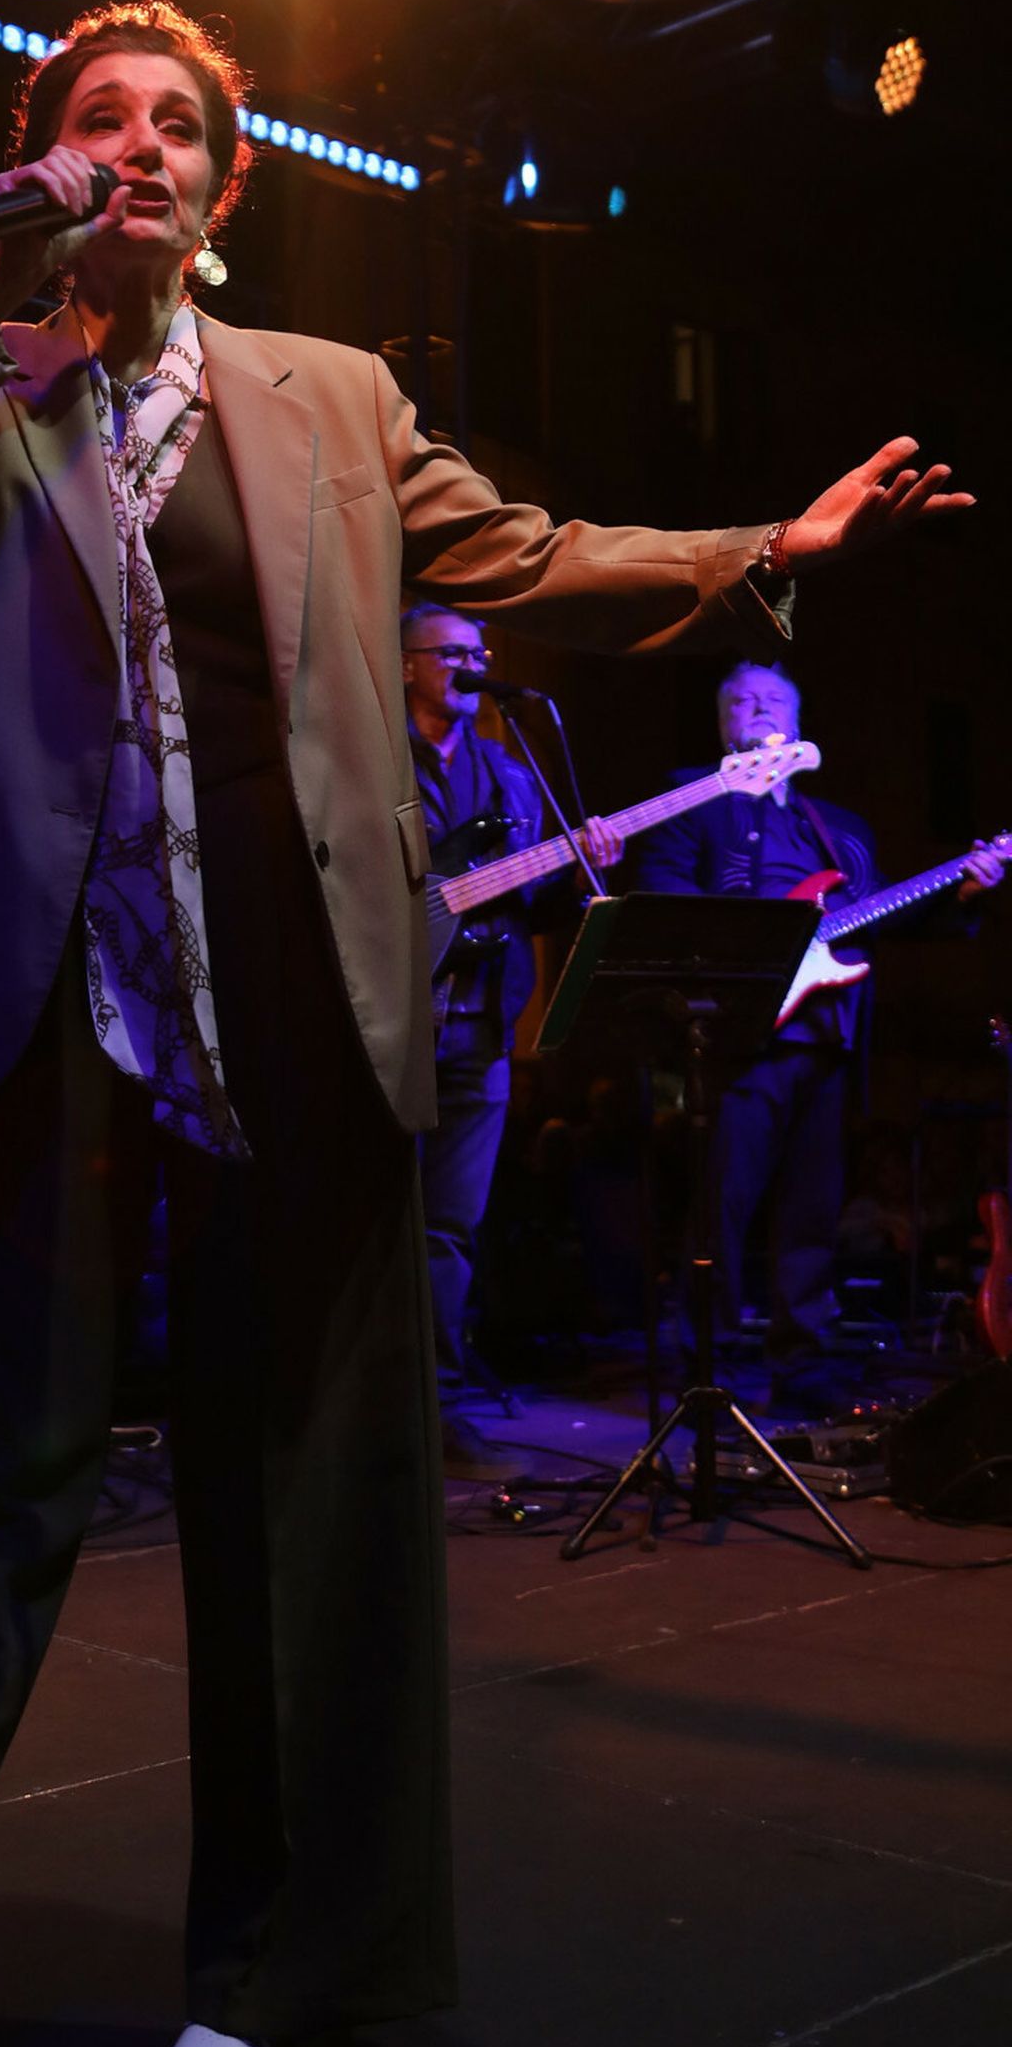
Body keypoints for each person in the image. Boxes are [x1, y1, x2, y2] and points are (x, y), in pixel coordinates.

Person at [0, 0, 978, 2047]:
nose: (137, 144)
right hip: (36, 1023)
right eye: (97, 118)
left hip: (296, 1012)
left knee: (310, 1517)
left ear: (224, 188)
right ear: (48, 163)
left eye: (176, 124)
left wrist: (768, 552)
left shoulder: (334, 395)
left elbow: (533, 557)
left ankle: (292, 1981)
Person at [634, 661, 1002, 1413]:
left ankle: (801, 1365)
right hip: (738, 1038)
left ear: (798, 724)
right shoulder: (691, 801)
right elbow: (665, 899)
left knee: (811, 1213)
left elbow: (881, 917)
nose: (758, 707)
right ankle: (703, 1368)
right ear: (721, 724)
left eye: (774, 699)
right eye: (741, 699)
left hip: (827, 1039)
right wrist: (754, 949)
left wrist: (962, 890)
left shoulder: (841, 830)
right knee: (722, 1207)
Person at [401, 602, 621, 1478]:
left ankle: (437, 1411)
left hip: (480, 1028)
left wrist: (585, 861)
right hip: (390, 1021)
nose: (471, 662)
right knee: (374, 1223)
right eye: (451, 651)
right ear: (406, 664)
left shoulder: (511, 776)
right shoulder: (374, 758)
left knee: (452, 1228)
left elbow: (532, 905)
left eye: (478, 651)